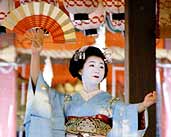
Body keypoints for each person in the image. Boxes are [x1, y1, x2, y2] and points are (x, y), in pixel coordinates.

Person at [24, 29, 157, 137]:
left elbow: (129, 113)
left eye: (101, 66)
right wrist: (35, 54)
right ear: (80, 70)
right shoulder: (67, 101)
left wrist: (143, 105)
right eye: (92, 65)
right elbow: (40, 91)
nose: (97, 70)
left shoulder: (110, 103)